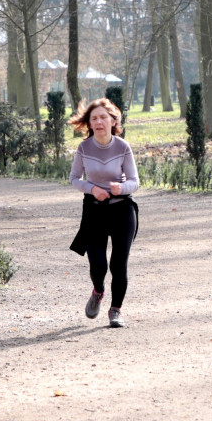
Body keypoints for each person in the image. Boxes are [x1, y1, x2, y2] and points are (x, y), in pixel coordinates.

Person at [67, 98, 139, 328]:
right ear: (89, 123)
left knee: (119, 265)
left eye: (103, 117)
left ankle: (116, 310)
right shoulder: (84, 148)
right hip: (94, 211)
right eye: (94, 118)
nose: (99, 121)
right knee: (98, 265)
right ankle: (98, 290)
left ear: (113, 120)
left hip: (122, 210)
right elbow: (74, 178)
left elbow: (135, 181)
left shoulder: (122, 147)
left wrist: (122, 188)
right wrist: (93, 189)